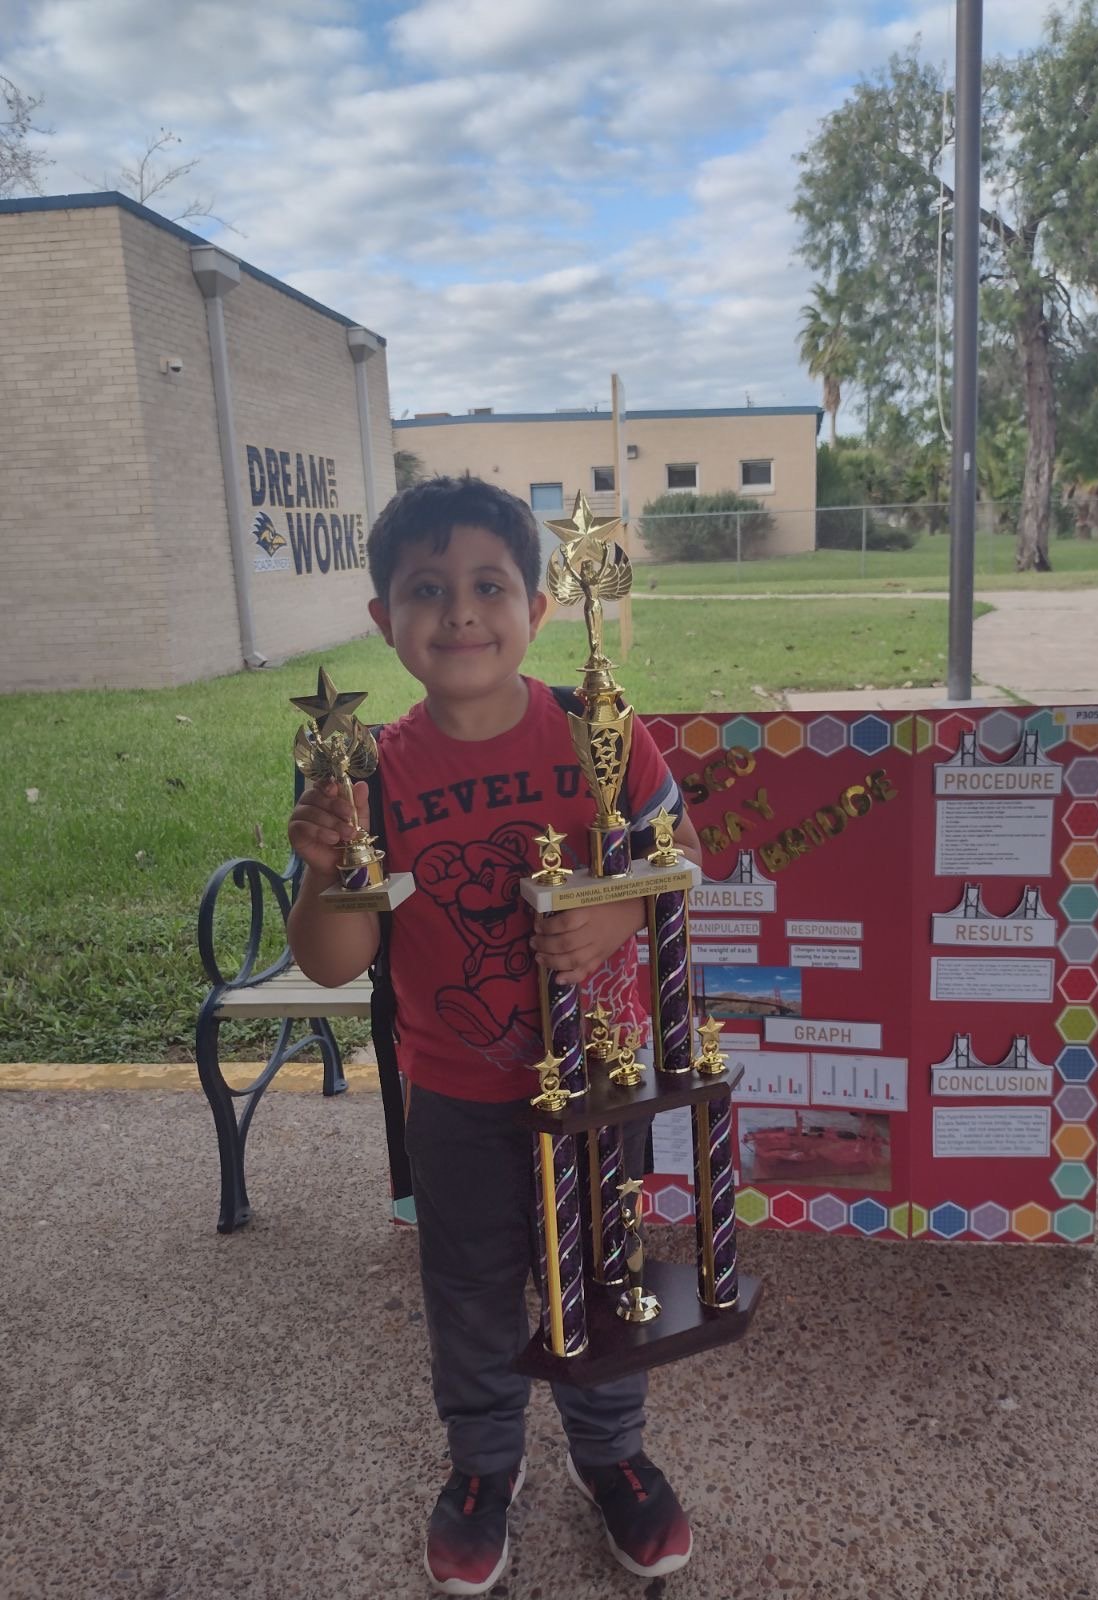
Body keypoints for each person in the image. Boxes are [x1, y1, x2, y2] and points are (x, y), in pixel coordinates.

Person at [286, 476, 702, 1596]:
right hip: (461, 1097)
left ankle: (611, 1453)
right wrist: (329, 869)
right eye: (427, 589)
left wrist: (615, 908)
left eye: (488, 585)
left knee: (606, 1279)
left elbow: (682, 855)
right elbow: (334, 962)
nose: (461, 612)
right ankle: (482, 1467)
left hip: (598, 1083)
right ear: (383, 620)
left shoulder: (598, 727)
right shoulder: (365, 770)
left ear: (538, 604)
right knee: (468, 1290)